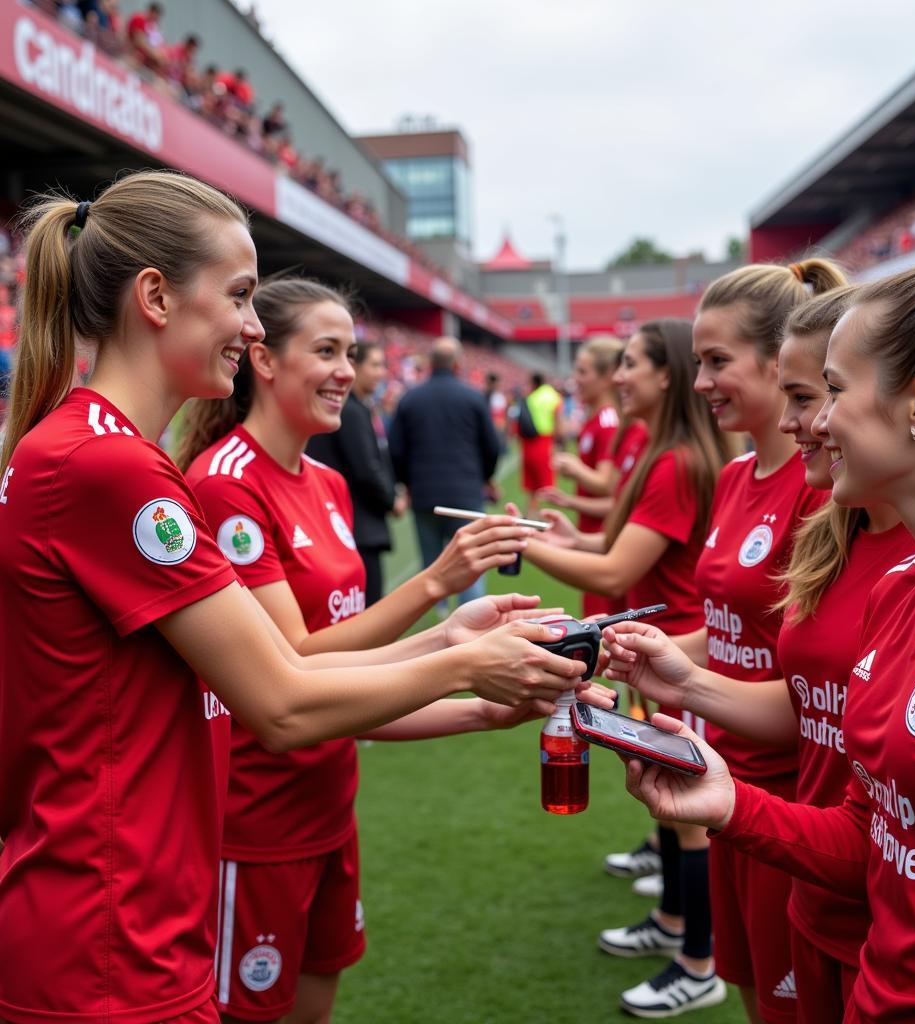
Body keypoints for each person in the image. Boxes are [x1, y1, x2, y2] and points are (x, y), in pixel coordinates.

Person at [0, 170, 596, 1024]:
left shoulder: (110, 453)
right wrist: (466, 659)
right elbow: (280, 702)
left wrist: (451, 645)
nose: (253, 323)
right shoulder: (110, 465)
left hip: (130, 919)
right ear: (156, 297)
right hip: (105, 936)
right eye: (240, 295)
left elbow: (278, 666)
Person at [178, 277, 612, 1023]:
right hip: (251, 824)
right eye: (326, 350)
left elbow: (348, 696)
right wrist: (438, 588)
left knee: (313, 1009)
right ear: (263, 358)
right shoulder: (224, 485)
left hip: (328, 805)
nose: (349, 370)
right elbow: (297, 665)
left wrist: (481, 704)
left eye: (351, 350)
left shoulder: (328, 482)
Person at [608, 260, 915, 1024]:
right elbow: (877, 836)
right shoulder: (904, 590)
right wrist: (728, 803)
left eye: (830, 391)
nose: (814, 421)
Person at [617, 260, 845, 1024]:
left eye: (718, 361)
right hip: (726, 778)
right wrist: (651, 650)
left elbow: (819, 681)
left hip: (796, 794)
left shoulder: (830, 493)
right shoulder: (739, 472)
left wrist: (680, 678)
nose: (702, 379)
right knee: (756, 997)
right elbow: (732, 635)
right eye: (700, 360)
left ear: (780, 364)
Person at [511, 319, 731, 1018]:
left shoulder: (676, 460)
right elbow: (617, 544)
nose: (615, 377)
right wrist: (570, 530)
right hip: (660, 649)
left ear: (664, 376)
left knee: (687, 813)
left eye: (630, 363)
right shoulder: (665, 452)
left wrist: (520, 540)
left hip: (680, 649)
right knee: (667, 801)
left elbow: (615, 566)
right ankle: (673, 924)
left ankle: (698, 959)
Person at [388, 336, 502, 613]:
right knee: (471, 562)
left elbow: (395, 450)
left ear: (430, 364)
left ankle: (439, 616)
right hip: (465, 495)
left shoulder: (410, 398)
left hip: (425, 495)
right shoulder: (473, 396)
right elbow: (493, 446)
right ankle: (472, 620)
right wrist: (483, 478)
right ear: (456, 364)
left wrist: (408, 482)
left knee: (432, 564)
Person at [306, 337, 400, 605]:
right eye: (375, 365)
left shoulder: (358, 408)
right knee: (367, 613)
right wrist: (392, 500)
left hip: (349, 526)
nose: (381, 373)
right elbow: (366, 470)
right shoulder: (351, 411)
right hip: (356, 528)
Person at [537, 335, 623, 616]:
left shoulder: (608, 421)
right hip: (589, 534)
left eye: (583, 372)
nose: (576, 379)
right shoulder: (596, 417)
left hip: (604, 538)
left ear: (607, 376)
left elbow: (608, 487)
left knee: (603, 624)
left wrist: (574, 469)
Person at [518, 371, 563, 518]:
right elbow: (558, 423)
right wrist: (559, 444)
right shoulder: (553, 397)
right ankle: (547, 520)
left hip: (528, 446)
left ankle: (530, 517)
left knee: (532, 488)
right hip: (544, 443)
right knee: (547, 487)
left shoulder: (529, 398)